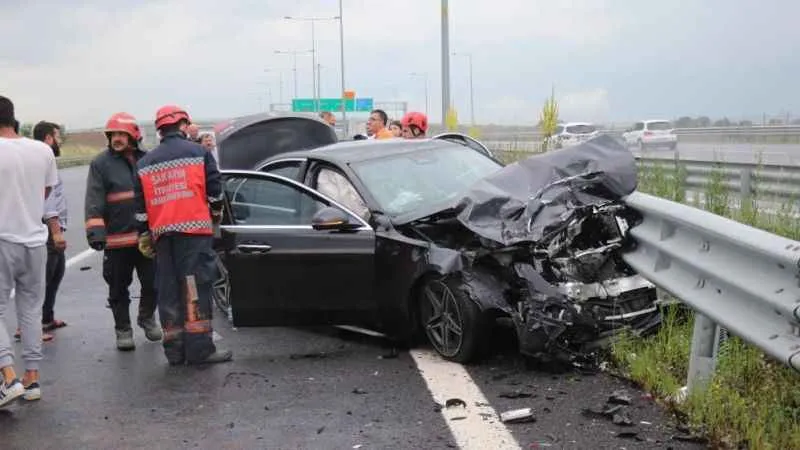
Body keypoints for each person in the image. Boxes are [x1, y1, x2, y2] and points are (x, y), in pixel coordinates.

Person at [134, 105, 232, 366]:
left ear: (159, 129)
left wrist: (145, 235)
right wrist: (216, 214)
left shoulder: (145, 163)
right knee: (194, 288)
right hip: (194, 235)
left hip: (163, 237)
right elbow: (214, 192)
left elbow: (141, 208)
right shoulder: (199, 152)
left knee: (168, 290)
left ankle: (175, 351)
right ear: (183, 125)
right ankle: (200, 350)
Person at [85, 112, 162, 351]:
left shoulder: (148, 159)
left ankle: (146, 317)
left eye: (122, 134)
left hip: (146, 237)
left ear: (133, 135)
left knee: (153, 283)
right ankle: (123, 330)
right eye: (113, 134)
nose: (117, 138)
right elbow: (94, 198)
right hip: (117, 239)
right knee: (118, 287)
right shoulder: (100, 163)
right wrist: (96, 232)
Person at [0, 96, 59, 406]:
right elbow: (45, 192)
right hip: (35, 240)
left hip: (2, 239)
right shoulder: (42, 150)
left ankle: (8, 378)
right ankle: (32, 378)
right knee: (32, 310)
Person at [35, 121, 68, 340]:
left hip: (53, 226)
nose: (59, 140)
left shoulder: (46, 158)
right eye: (57, 136)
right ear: (48, 137)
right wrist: (55, 230)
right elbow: (46, 198)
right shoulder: (42, 159)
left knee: (56, 273)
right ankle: (29, 326)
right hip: (47, 226)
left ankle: (46, 317)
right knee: (42, 277)